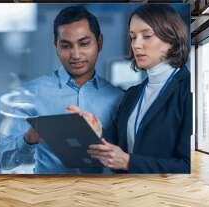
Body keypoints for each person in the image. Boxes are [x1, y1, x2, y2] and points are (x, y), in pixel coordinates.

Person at [0, 6, 123, 174]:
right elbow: (2, 160)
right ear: (56, 46)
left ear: (99, 43)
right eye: (66, 46)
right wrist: (29, 139)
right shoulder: (31, 93)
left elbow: (131, 159)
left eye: (84, 43)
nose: (76, 54)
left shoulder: (119, 98)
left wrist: (101, 137)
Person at [68, 4, 191, 173]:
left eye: (146, 36)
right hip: (127, 191)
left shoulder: (187, 91)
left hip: (166, 196)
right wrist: (97, 131)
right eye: (133, 37)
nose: (136, 45)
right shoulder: (133, 93)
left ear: (171, 39)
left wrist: (129, 162)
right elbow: (118, 148)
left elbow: (187, 165)